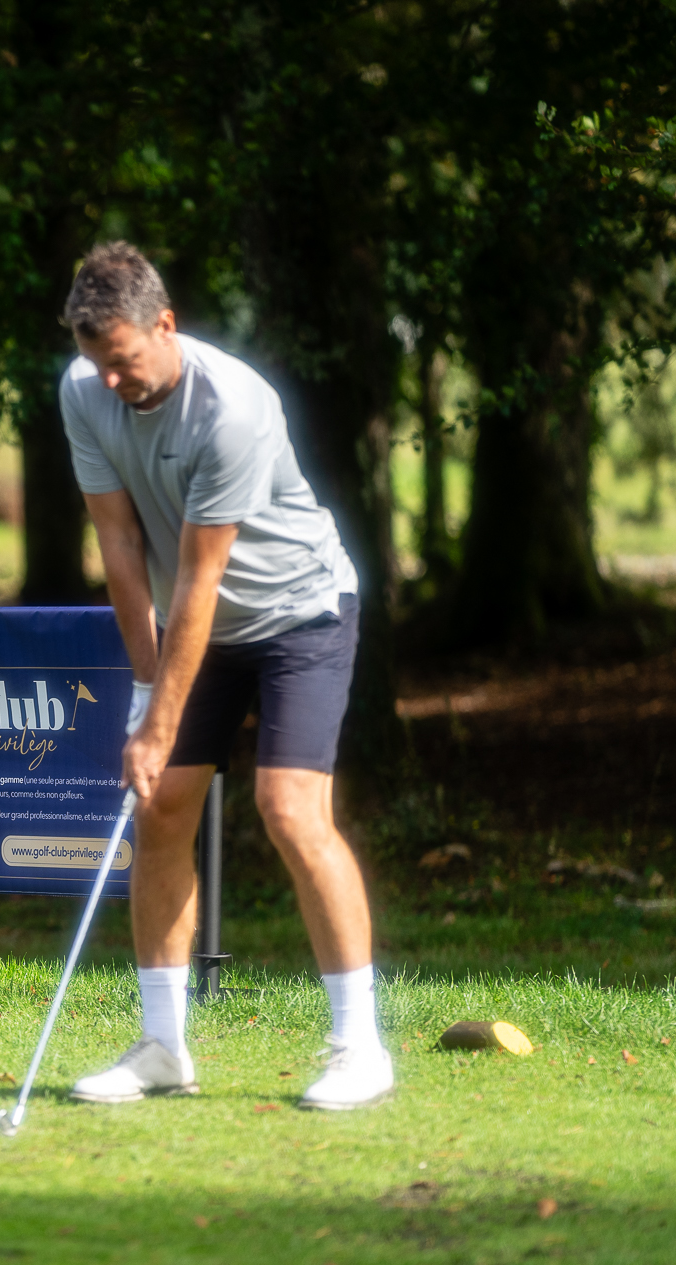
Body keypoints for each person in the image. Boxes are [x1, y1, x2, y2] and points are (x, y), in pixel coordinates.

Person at [59, 241, 392, 1111]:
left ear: (165, 325)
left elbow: (201, 579)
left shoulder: (232, 408)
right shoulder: (84, 389)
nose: (110, 381)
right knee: (161, 805)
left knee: (289, 807)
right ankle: (163, 1048)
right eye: (96, 362)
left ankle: (360, 1048)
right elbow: (120, 544)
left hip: (298, 613)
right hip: (196, 628)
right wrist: (145, 687)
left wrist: (157, 721)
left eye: (123, 360)